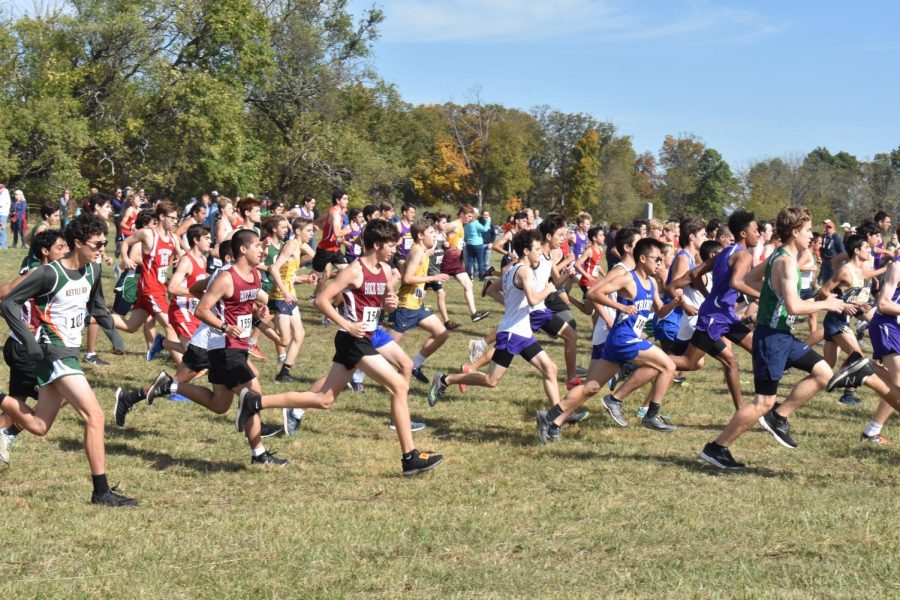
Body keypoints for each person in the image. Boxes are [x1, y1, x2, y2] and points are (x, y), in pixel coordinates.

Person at [241, 220, 443, 475]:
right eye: (391, 245)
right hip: (353, 339)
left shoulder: (383, 270)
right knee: (400, 385)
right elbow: (322, 300)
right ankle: (409, 458)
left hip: (369, 334)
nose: (395, 250)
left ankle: (255, 402)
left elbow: (381, 304)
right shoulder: (354, 270)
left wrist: (389, 304)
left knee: (324, 399)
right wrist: (347, 325)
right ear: (377, 244)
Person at [698, 207, 858, 470]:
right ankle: (716, 448)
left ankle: (779, 416)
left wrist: (772, 294)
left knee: (823, 373)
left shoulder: (782, 258)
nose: (812, 236)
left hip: (782, 335)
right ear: (794, 232)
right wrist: (826, 305)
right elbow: (794, 307)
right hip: (771, 338)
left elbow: (750, 278)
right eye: (807, 231)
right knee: (762, 401)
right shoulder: (784, 261)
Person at [0, 214, 137, 505]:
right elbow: (7, 302)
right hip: (54, 354)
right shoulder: (49, 273)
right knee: (95, 416)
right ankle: (101, 492)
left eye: (105, 243)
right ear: (78, 243)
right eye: (98, 244)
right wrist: (27, 340)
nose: (103, 249)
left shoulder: (92, 271)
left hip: (69, 354)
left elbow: (97, 305)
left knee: (38, 426)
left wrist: (114, 337)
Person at [536, 237, 683, 442]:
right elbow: (594, 293)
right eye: (656, 258)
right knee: (668, 365)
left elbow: (660, 312)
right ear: (642, 258)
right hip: (624, 339)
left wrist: (675, 303)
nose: (659, 263)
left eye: (661, 259)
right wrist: (621, 307)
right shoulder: (628, 278)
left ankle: (551, 420)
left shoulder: (651, 283)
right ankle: (650, 416)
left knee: (591, 388)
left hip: (622, 340)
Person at [428, 229, 561, 413]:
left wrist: (512, 307)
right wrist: (548, 290)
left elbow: (492, 291)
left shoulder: (510, 269)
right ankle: (445, 380)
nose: (540, 252)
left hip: (523, 333)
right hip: (512, 334)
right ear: (525, 251)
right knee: (491, 380)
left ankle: (557, 414)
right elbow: (533, 300)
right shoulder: (524, 272)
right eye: (537, 249)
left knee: (550, 369)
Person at [0, 230, 69, 464]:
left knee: (17, 402)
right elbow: (3, 295)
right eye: (60, 248)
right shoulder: (36, 273)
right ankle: (8, 433)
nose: (65, 251)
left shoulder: (58, 275)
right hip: (24, 348)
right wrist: (18, 323)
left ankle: (5, 433)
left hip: (33, 349)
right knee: (62, 394)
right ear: (45, 251)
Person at [388, 219, 450, 384]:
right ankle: (356, 373)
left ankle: (416, 365)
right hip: (406, 305)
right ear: (421, 235)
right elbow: (407, 278)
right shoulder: (417, 251)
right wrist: (433, 277)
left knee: (442, 333)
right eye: (431, 233)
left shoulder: (422, 251)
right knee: (386, 345)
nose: (434, 236)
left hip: (416, 305)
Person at [269, 218, 318, 383]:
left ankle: (284, 374)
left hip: (290, 294)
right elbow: (273, 269)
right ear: (298, 231)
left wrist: (305, 279)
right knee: (285, 339)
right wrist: (284, 291)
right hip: (280, 296)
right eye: (309, 230)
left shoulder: (298, 246)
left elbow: (289, 275)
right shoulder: (290, 245)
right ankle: (256, 327)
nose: (312, 234)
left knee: (300, 334)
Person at [439, 204, 489, 322]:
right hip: (447, 260)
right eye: (469, 216)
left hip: (456, 261)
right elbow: (440, 230)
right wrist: (443, 242)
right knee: (429, 285)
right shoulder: (455, 224)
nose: (470, 218)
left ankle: (474, 314)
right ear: (462, 214)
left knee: (468, 284)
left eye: (472, 216)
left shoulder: (462, 225)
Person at [463, 209, 491, 280]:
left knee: (470, 260)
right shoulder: (475, 223)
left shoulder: (466, 225)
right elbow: (485, 229)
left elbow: (465, 236)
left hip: (469, 244)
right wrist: (488, 221)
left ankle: (469, 276)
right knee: (480, 261)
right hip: (478, 244)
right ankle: (481, 276)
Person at [819, 219, 845, 283]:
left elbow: (842, 251)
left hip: (833, 262)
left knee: (832, 280)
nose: (828, 229)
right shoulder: (824, 236)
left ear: (834, 228)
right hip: (825, 262)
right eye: (827, 227)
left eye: (830, 227)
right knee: (825, 280)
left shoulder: (836, 237)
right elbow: (820, 248)